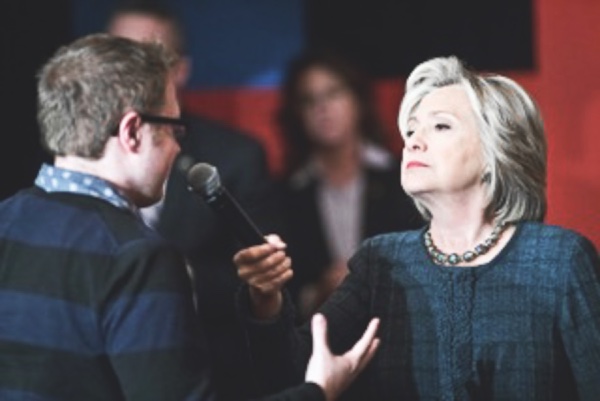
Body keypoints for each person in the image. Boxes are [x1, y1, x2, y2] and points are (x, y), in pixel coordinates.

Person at [0, 33, 380, 401]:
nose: (178, 147)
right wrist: (318, 391)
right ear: (132, 131)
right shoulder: (139, 257)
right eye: (172, 128)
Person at [232, 55, 600, 400]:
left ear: (496, 151)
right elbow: (293, 377)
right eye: (411, 129)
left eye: (440, 126)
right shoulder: (382, 262)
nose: (413, 142)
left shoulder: (559, 260)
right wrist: (266, 299)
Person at [105, 3, 286, 399]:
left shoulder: (234, 157)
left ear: (180, 70)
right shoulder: (84, 150)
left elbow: (264, 281)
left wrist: (170, 274)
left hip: (208, 371)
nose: (126, 70)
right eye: (115, 53)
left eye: (144, 56)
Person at [275, 49, 423, 321]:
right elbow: (281, 292)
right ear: (297, 113)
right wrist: (319, 291)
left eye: (333, 93)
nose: (323, 109)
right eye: (309, 100)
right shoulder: (286, 194)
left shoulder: (405, 178)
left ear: (358, 99)